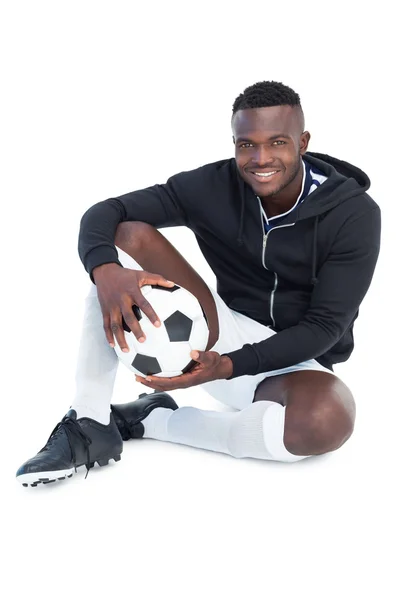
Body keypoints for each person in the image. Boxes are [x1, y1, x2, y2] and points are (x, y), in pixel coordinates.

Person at [16, 80, 381, 487]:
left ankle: (155, 420)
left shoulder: (354, 214)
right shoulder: (213, 186)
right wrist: (105, 271)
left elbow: (324, 328)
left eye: (277, 142)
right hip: (220, 329)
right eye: (247, 145)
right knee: (128, 235)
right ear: (235, 143)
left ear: (303, 141)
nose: (261, 158)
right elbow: (106, 212)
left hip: (298, 362)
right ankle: (89, 421)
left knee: (327, 421)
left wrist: (227, 368)